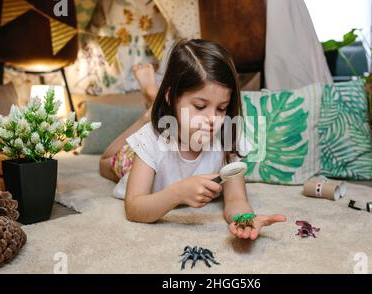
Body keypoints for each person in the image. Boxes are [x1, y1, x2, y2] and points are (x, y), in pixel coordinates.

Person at [100, 39, 285, 240]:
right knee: (105, 162)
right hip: (132, 160)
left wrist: (245, 219)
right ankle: (150, 107)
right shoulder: (151, 140)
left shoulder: (227, 136)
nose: (213, 119)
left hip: (167, 121)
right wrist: (177, 193)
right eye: (199, 106)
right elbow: (134, 208)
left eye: (221, 108)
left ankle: (153, 102)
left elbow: (236, 198)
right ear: (172, 97)